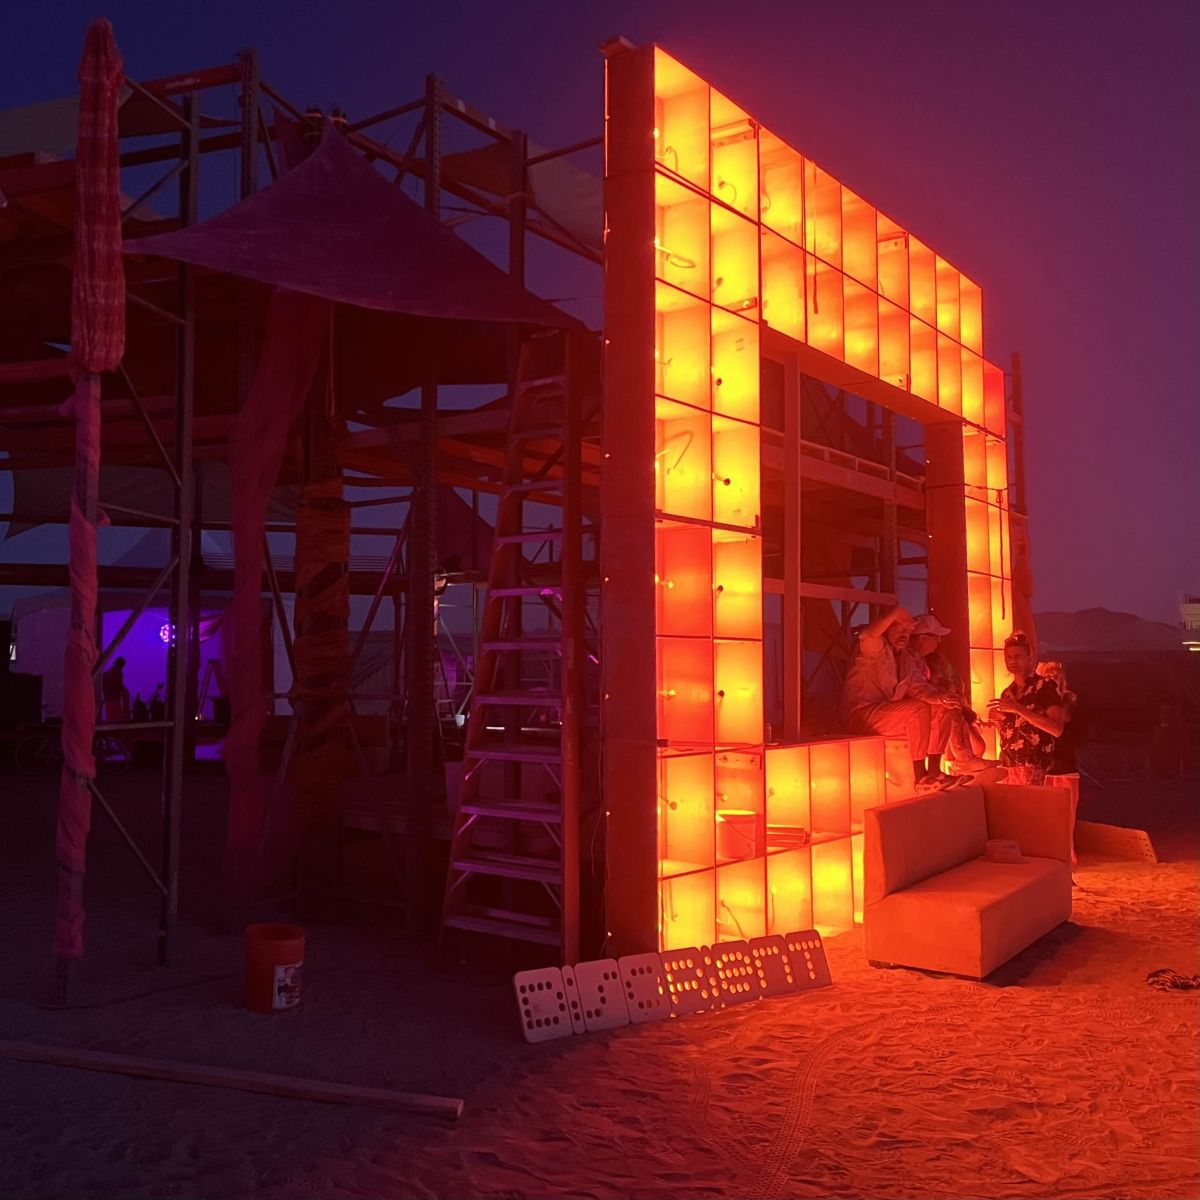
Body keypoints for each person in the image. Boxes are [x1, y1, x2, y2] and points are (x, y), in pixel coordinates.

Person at [841, 605, 949, 787]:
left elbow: (920, 689)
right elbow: (868, 635)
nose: (904, 634)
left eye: (907, 631)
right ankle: (920, 776)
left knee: (943, 709)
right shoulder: (875, 649)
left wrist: (942, 698)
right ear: (886, 629)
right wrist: (894, 613)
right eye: (898, 629)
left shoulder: (907, 657)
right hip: (861, 715)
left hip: (887, 716)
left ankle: (935, 771)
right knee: (918, 709)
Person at [906, 613, 989, 771]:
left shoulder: (926, 660)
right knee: (947, 709)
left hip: (928, 709)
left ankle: (959, 762)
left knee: (950, 710)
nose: (939, 641)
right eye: (935, 636)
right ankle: (961, 760)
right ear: (922, 638)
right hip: (915, 712)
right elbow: (917, 689)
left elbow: (953, 683)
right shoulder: (909, 659)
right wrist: (941, 698)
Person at [988, 631, 1065, 785]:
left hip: (1035, 767)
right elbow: (1010, 735)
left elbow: (1056, 729)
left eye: (1017, 656)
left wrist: (1018, 709)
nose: (1012, 661)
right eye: (1008, 657)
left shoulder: (1044, 687)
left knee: (1031, 801)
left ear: (1029, 657)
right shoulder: (1007, 692)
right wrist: (998, 722)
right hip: (1008, 766)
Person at [100, 656, 130, 724]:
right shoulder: (118, 673)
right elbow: (119, 684)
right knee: (117, 717)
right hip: (114, 698)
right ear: (121, 665)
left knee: (110, 717)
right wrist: (125, 691)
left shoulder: (107, 673)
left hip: (108, 698)